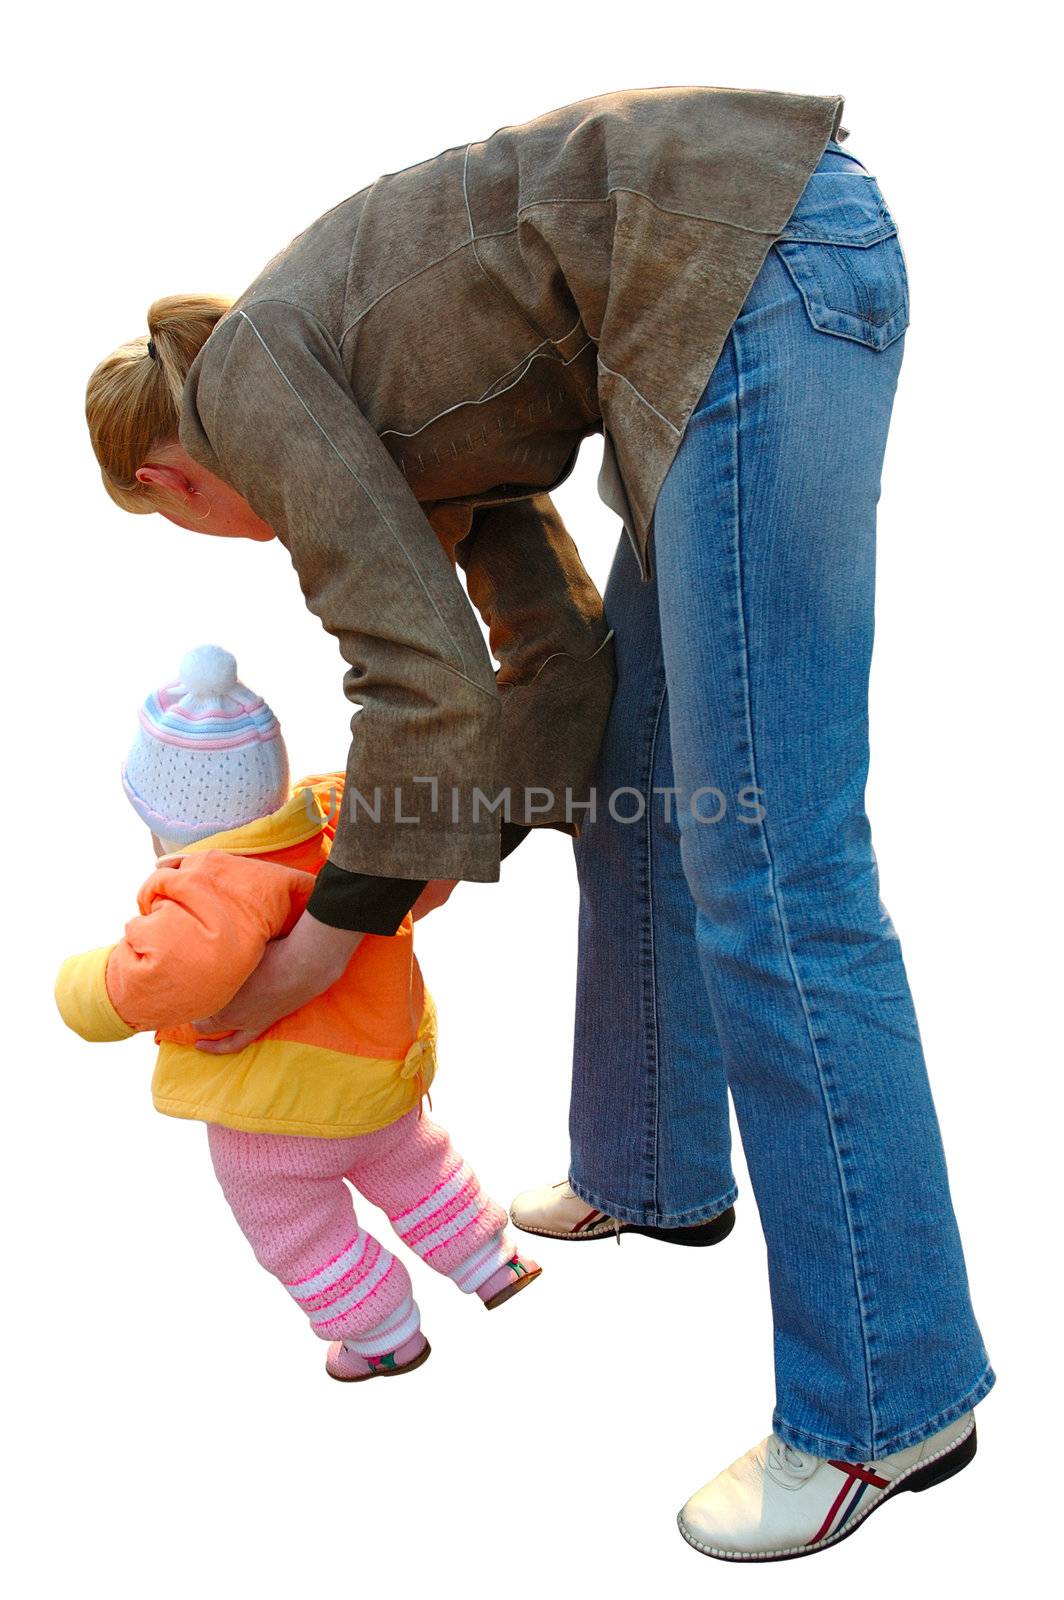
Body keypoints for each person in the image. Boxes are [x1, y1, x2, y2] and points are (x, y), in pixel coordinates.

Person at [82, 87, 993, 1558]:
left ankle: (890, 1398)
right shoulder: (376, 396)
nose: (254, 540)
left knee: (774, 855)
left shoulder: (253, 383)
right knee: (644, 768)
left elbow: (411, 672)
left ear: (166, 477)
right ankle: (653, 1171)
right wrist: (428, 866)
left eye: (207, 527)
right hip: (737, 264)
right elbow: (556, 651)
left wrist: (323, 943)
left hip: (745, 262)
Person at [54, 645, 540, 1383]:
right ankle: (487, 1258)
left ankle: (382, 1331)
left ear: (162, 822)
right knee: (414, 1160)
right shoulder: (335, 813)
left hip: (276, 1118)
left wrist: (81, 987)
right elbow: (423, 865)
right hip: (379, 1076)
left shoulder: (207, 889)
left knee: (290, 1222)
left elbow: (167, 973)